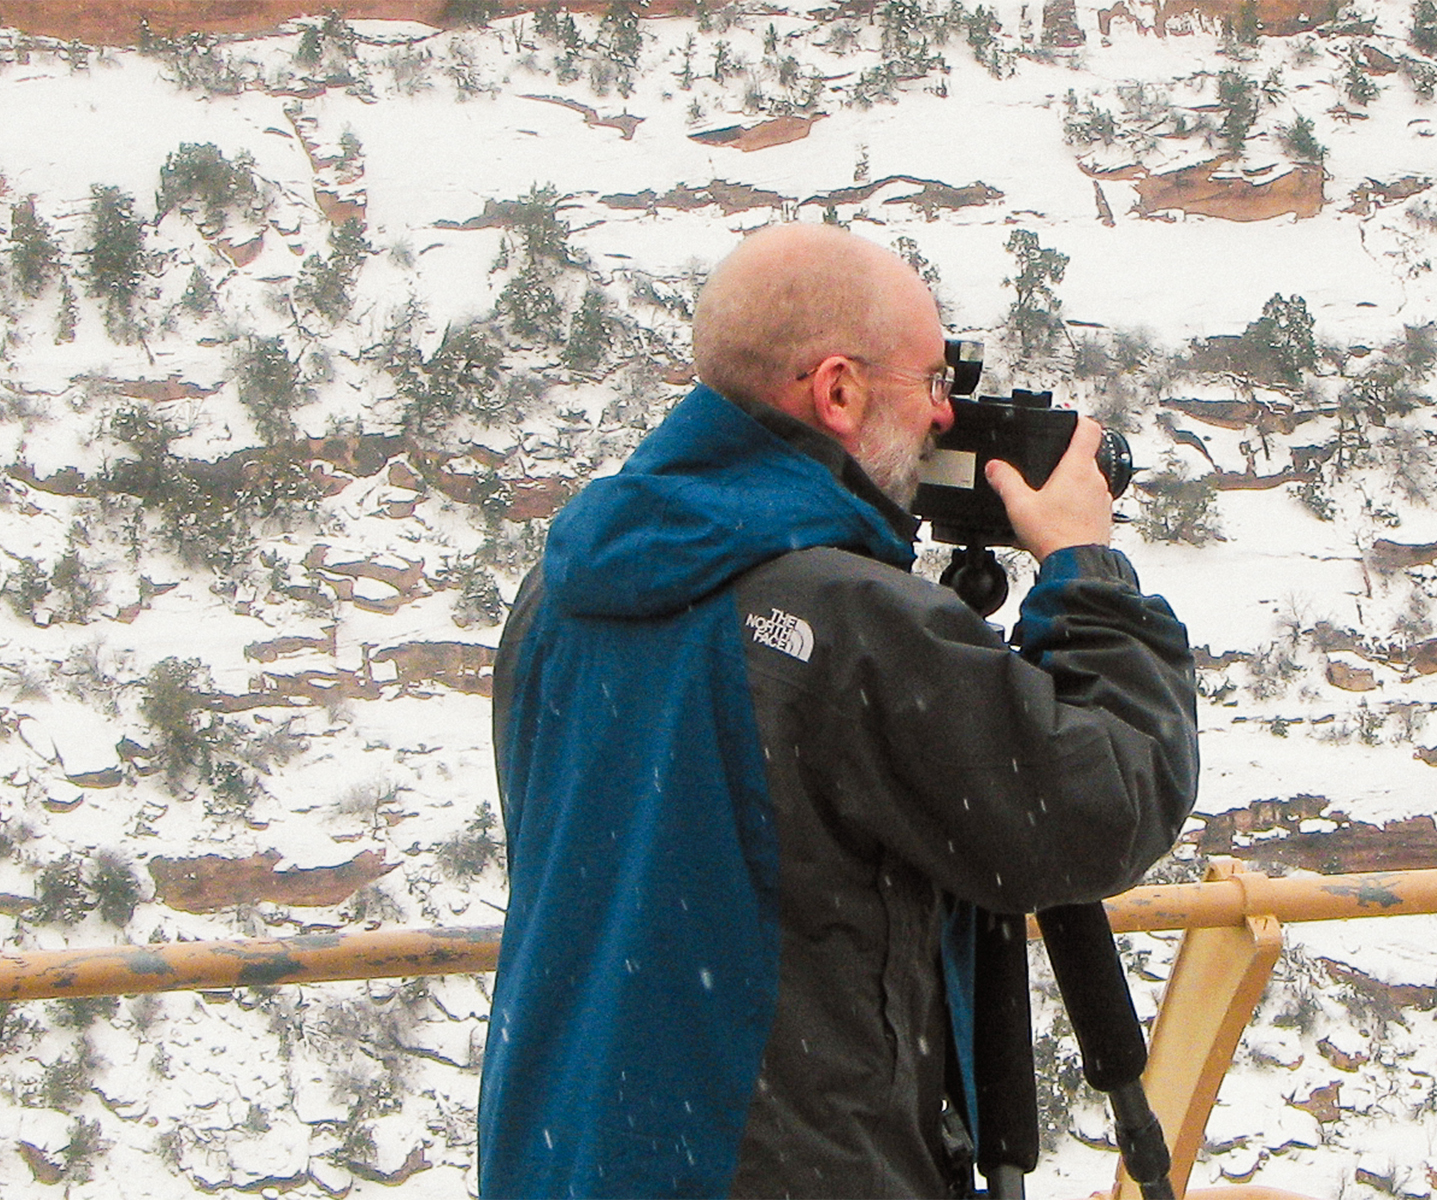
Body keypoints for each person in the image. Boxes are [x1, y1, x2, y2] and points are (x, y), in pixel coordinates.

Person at [478, 223, 1200, 1199]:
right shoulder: (846, 623)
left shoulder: (560, 592)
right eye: (934, 385)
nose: (948, 420)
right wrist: (1086, 573)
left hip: (564, 1156)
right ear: (838, 392)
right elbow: (1101, 803)